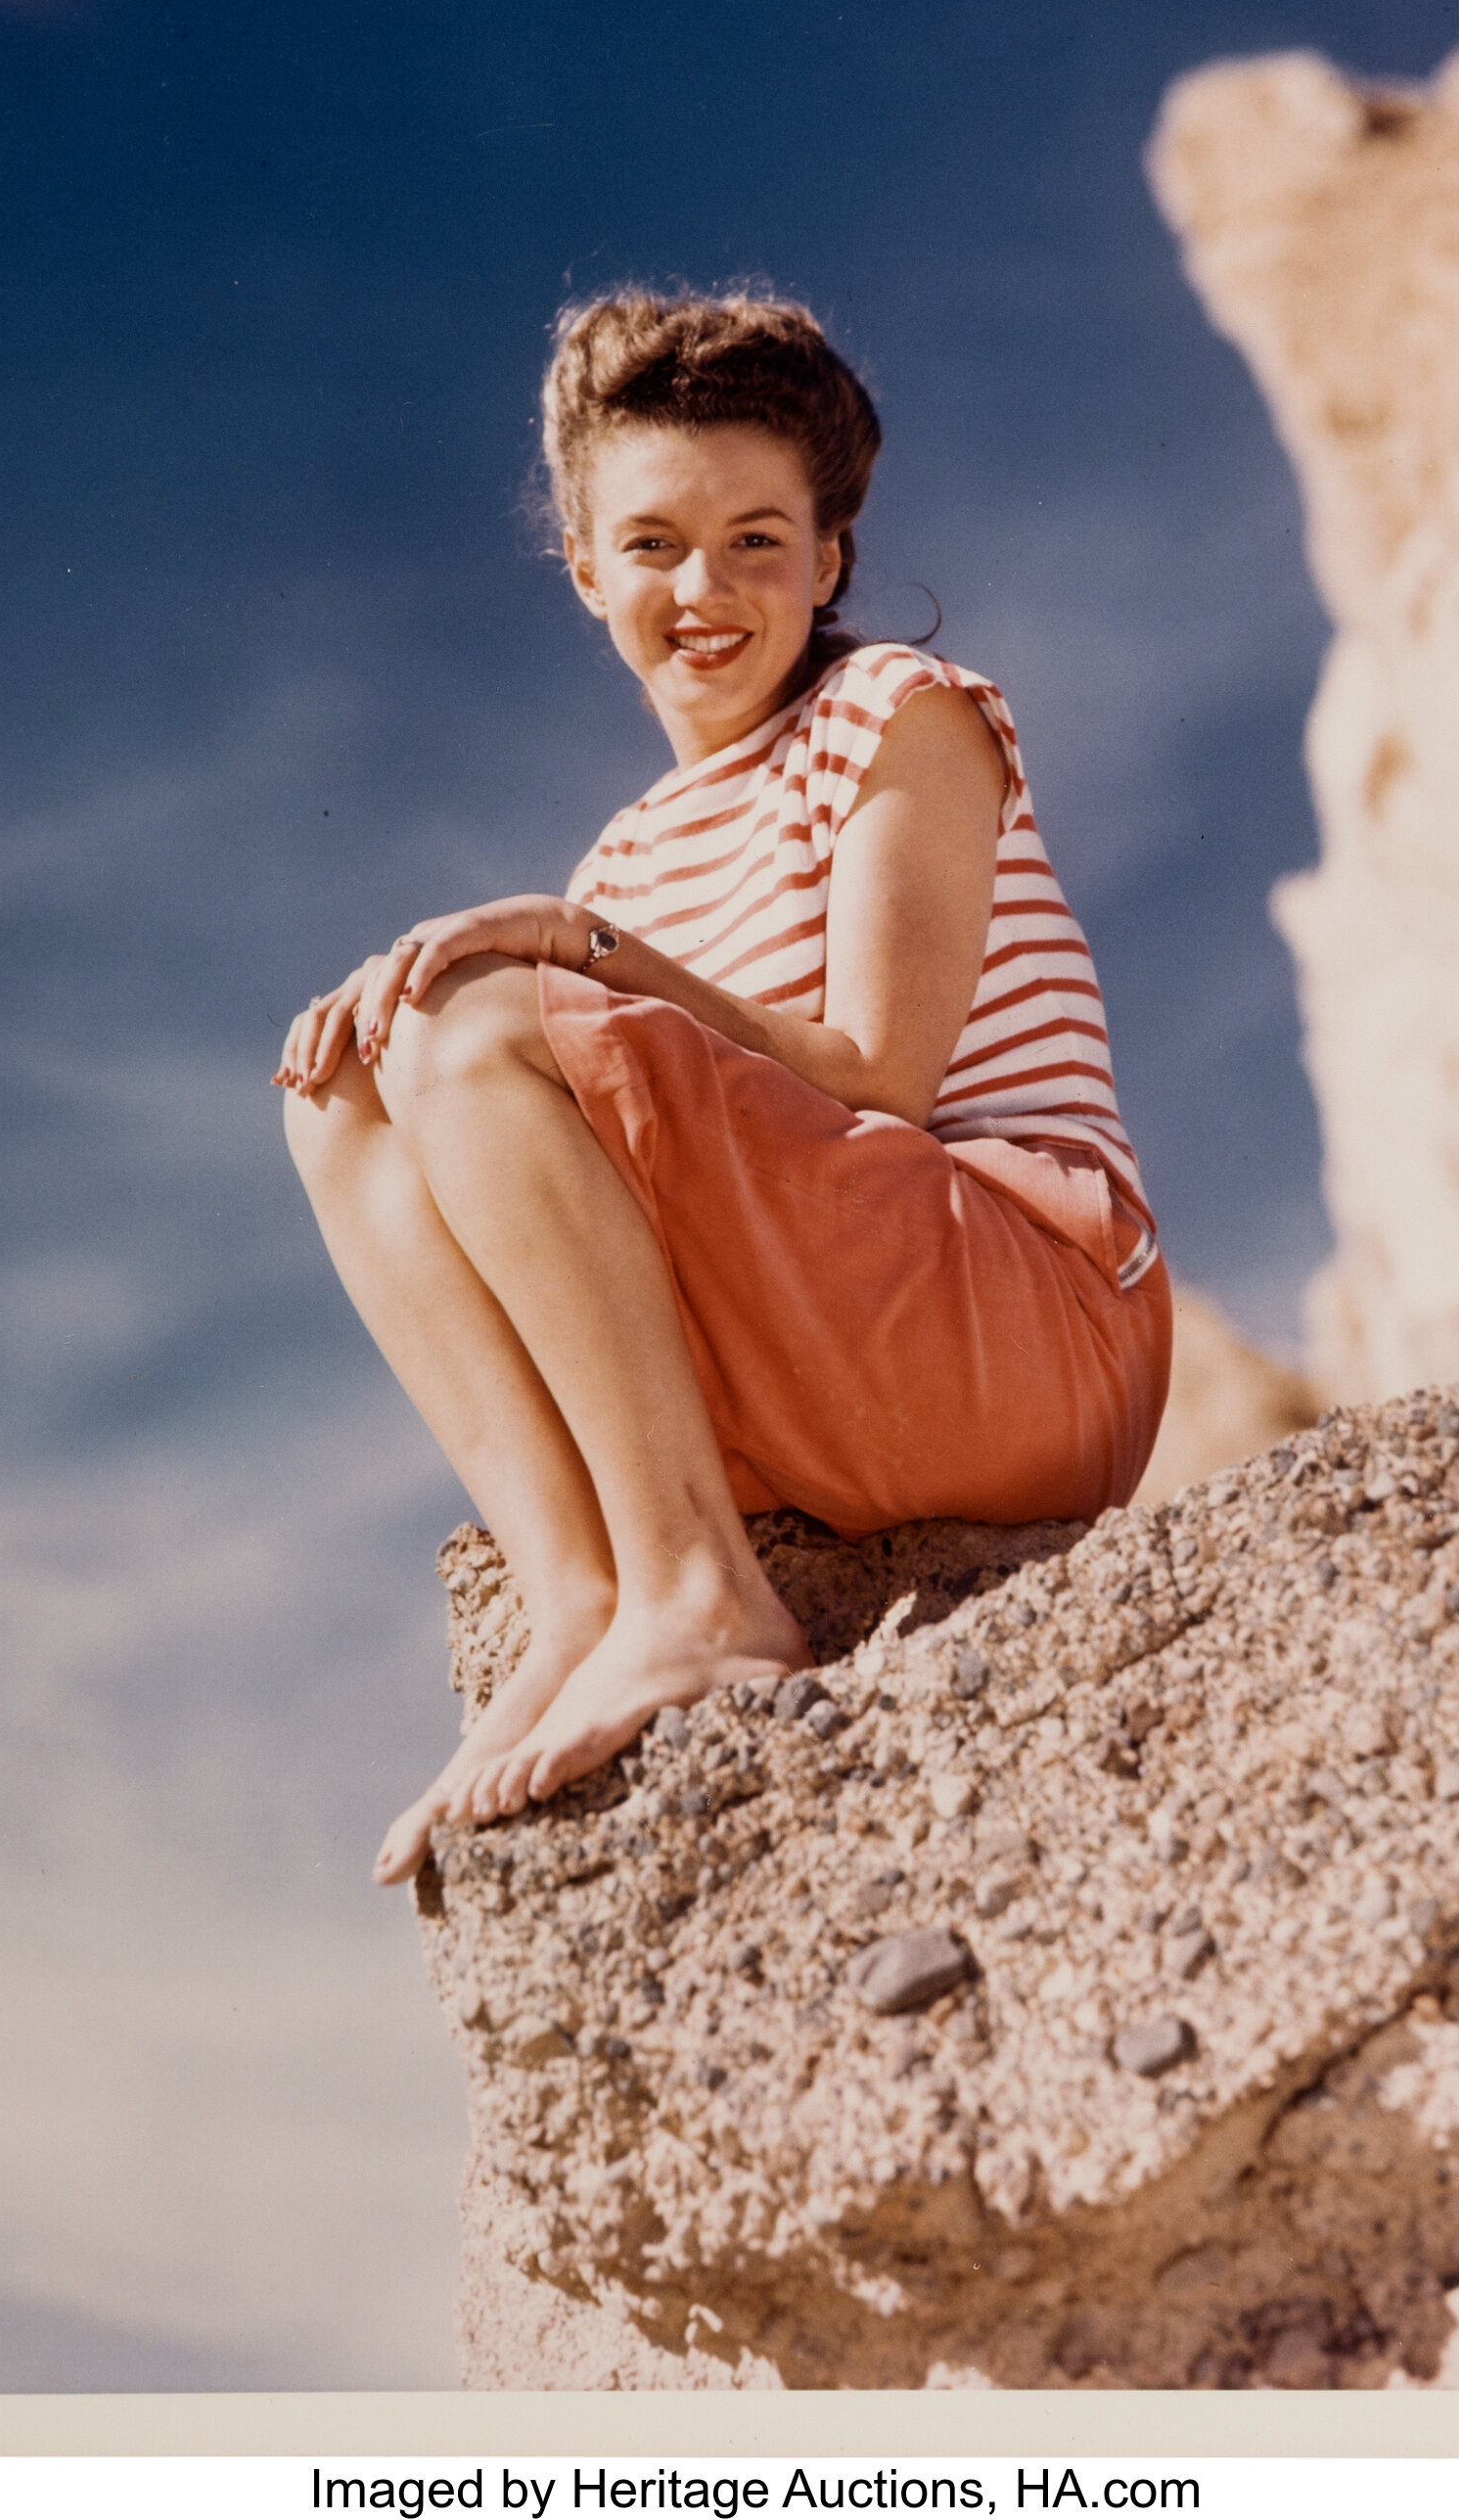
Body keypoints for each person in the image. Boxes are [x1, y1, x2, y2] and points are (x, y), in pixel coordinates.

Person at [276, 292, 1172, 1886]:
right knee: (345, 1083)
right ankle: (585, 1599)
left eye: (761, 539)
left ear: (830, 561)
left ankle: (701, 1593)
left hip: (1027, 1332)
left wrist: (578, 946)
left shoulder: (897, 713)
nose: (706, 588)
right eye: (655, 544)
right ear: (585, 568)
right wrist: (562, 950)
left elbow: (877, 1078)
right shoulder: (625, 850)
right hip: (818, 1366)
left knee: (474, 1018)